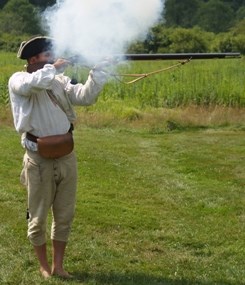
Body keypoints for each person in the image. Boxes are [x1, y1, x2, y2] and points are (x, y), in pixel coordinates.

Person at [8, 35, 109, 279]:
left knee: (64, 214)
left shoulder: (58, 80)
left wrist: (98, 71)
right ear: (33, 59)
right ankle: (44, 266)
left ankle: (58, 266)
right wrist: (53, 68)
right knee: (38, 218)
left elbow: (85, 97)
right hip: (38, 159)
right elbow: (33, 84)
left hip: (66, 155)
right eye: (47, 55)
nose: (52, 58)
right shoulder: (20, 79)